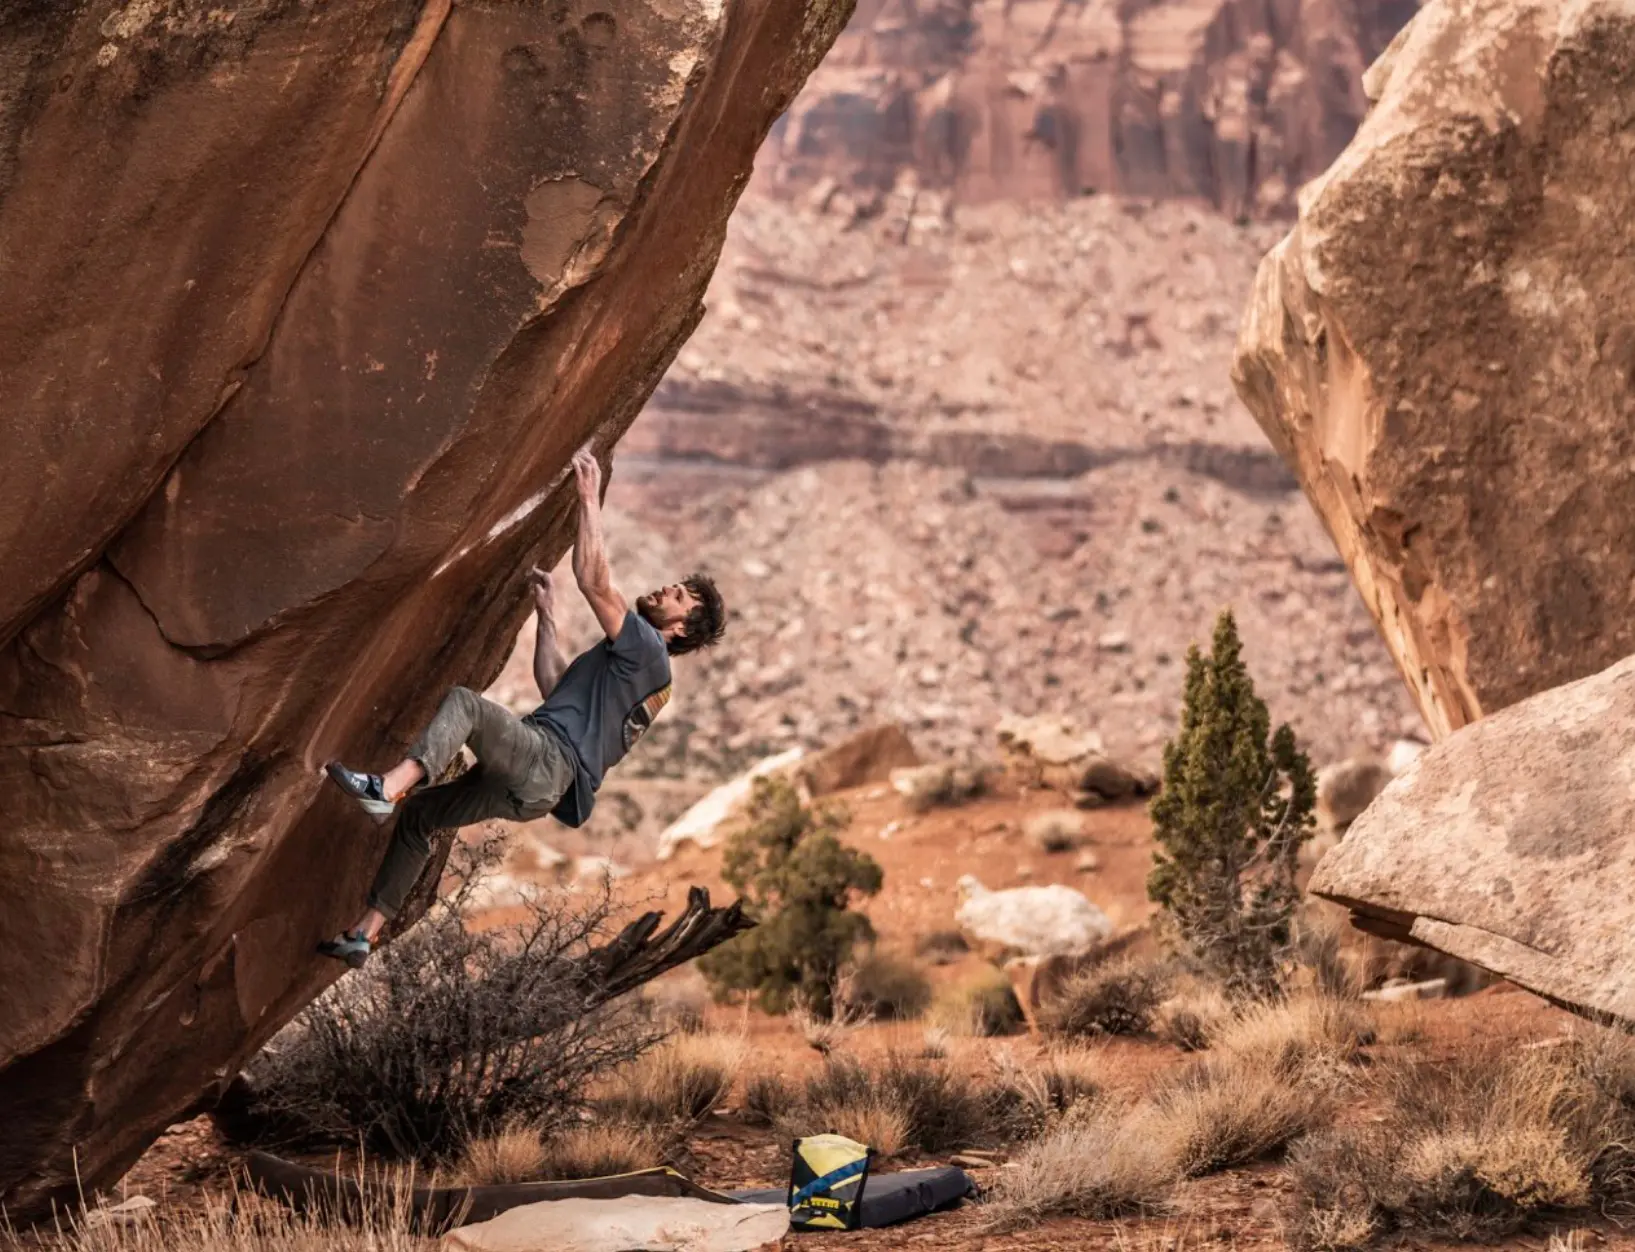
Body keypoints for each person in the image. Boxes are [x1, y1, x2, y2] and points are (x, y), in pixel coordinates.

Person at [317, 449, 726, 968]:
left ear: (682, 629)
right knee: (421, 818)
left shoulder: (647, 648)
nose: (670, 589)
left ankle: (386, 788)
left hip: (545, 762)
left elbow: (595, 581)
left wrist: (587, 499)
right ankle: (362, 934)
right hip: (538, 786)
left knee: (465, 704)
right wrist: (548, 619)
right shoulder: (640, 669)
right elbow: (556, 688)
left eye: (683, 596)